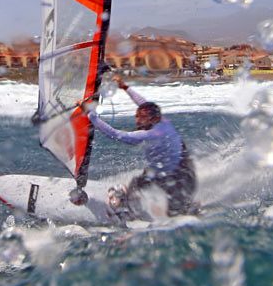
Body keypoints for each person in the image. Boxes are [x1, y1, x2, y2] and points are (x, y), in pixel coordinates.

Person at [81, 76, 197, 217]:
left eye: (142, 118)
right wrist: (125, 87)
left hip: (180, 177)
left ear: (153, 119)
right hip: (170, 169)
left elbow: (117, 135)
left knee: (177, 215)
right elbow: (143, 103)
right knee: (138, 182)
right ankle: (128, 206)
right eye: (137, 116)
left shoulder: (154, 134)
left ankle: (191, 209)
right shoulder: (162, 121)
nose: (137, 120)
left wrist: (90, 115)